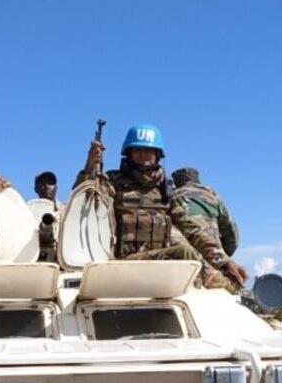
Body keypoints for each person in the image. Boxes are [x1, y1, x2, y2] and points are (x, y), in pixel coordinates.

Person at [75, 124, 247, 291]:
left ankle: (234, 291)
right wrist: (89, 166)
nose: (144, 155)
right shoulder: (113, 181)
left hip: (162, 261)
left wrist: (224, 262)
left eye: (149, 151)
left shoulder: (166, 188)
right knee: (184, 252)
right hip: (125, 261)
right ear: (128, 153)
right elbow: (84, 200)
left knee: (199, 259)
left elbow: (192, 229)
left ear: (158, 155)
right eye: (138, 151)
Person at [171, 167, 239, 264]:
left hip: (188, 259)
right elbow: (231, 231)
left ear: (176, 182)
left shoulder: (173, 197)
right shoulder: (212, 195)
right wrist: (224, 255)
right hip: (215, 257)